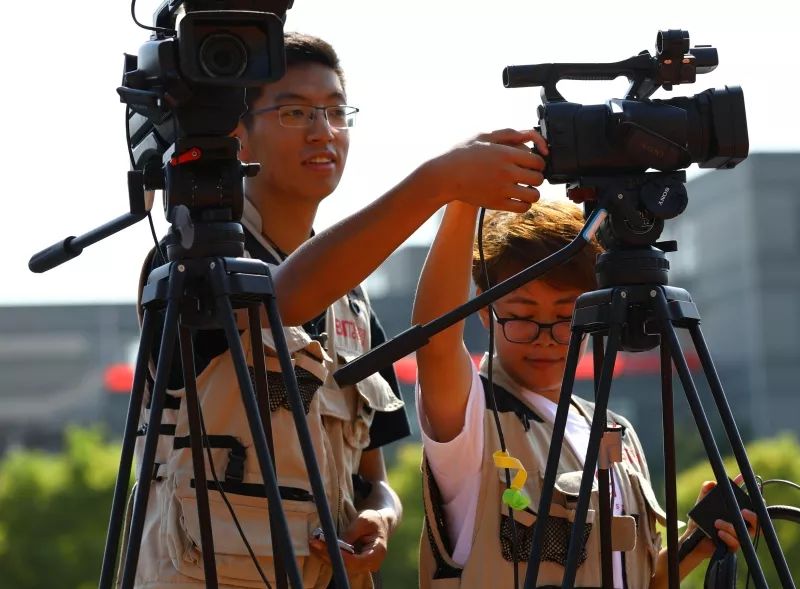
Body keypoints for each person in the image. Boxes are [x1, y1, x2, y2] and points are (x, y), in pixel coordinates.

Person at [131, 32, 546, 589]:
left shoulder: (351, 299)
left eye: (334, 111)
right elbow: (283, 300)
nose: (322, 131)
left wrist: (380, 518)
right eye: (295, 111)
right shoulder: (191, 261)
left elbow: (372, 479)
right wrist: (438, 181)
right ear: (239, 136)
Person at [412, 199, 758, 588]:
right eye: (523, 316)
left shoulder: (615, 431)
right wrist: (462, 201)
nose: (544, 338)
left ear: (597, 311)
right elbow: (435, 344)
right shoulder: (474, 416)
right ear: (483, 309)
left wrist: (696, 543)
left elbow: (639, 581)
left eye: (566, 317)